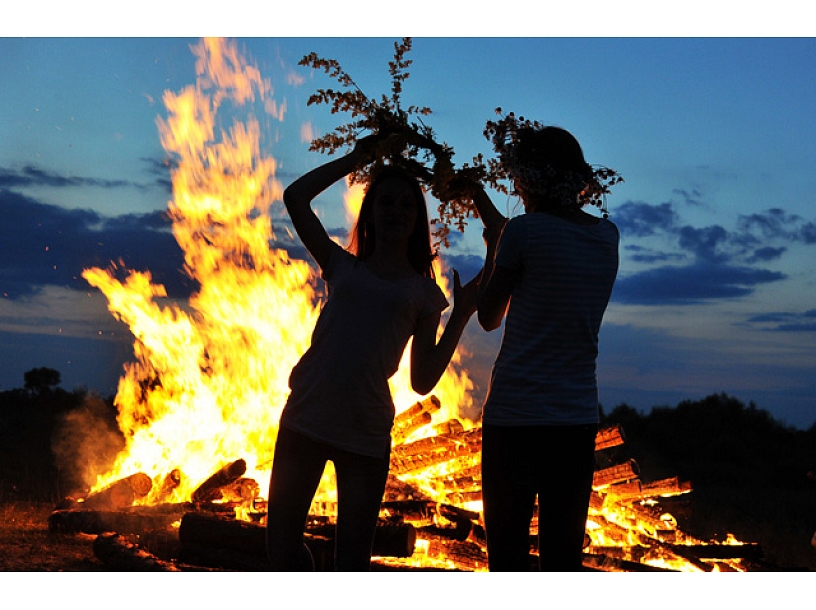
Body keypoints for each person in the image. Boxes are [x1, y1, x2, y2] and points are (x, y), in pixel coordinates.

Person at [266, 135, 480, 571]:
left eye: (406, 205)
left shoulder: (424, 293)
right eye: (386, 203)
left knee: (352, 562)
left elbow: (422, 380)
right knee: (282, 548)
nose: (396, 211)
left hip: (364, 435)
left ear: (417, 218)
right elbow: (295, 197)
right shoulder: (343, 264)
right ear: (371, 213)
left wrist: (460, 316)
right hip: (305, 417)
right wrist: (355, 158)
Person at [474, 125, 620, 571]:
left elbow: (488, 316)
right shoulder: (606, 237)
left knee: (508, 557)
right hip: (575, 420)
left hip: (514, 417)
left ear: (530, 178)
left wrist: (492, 249)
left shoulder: (522, 232)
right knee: (562, 557)